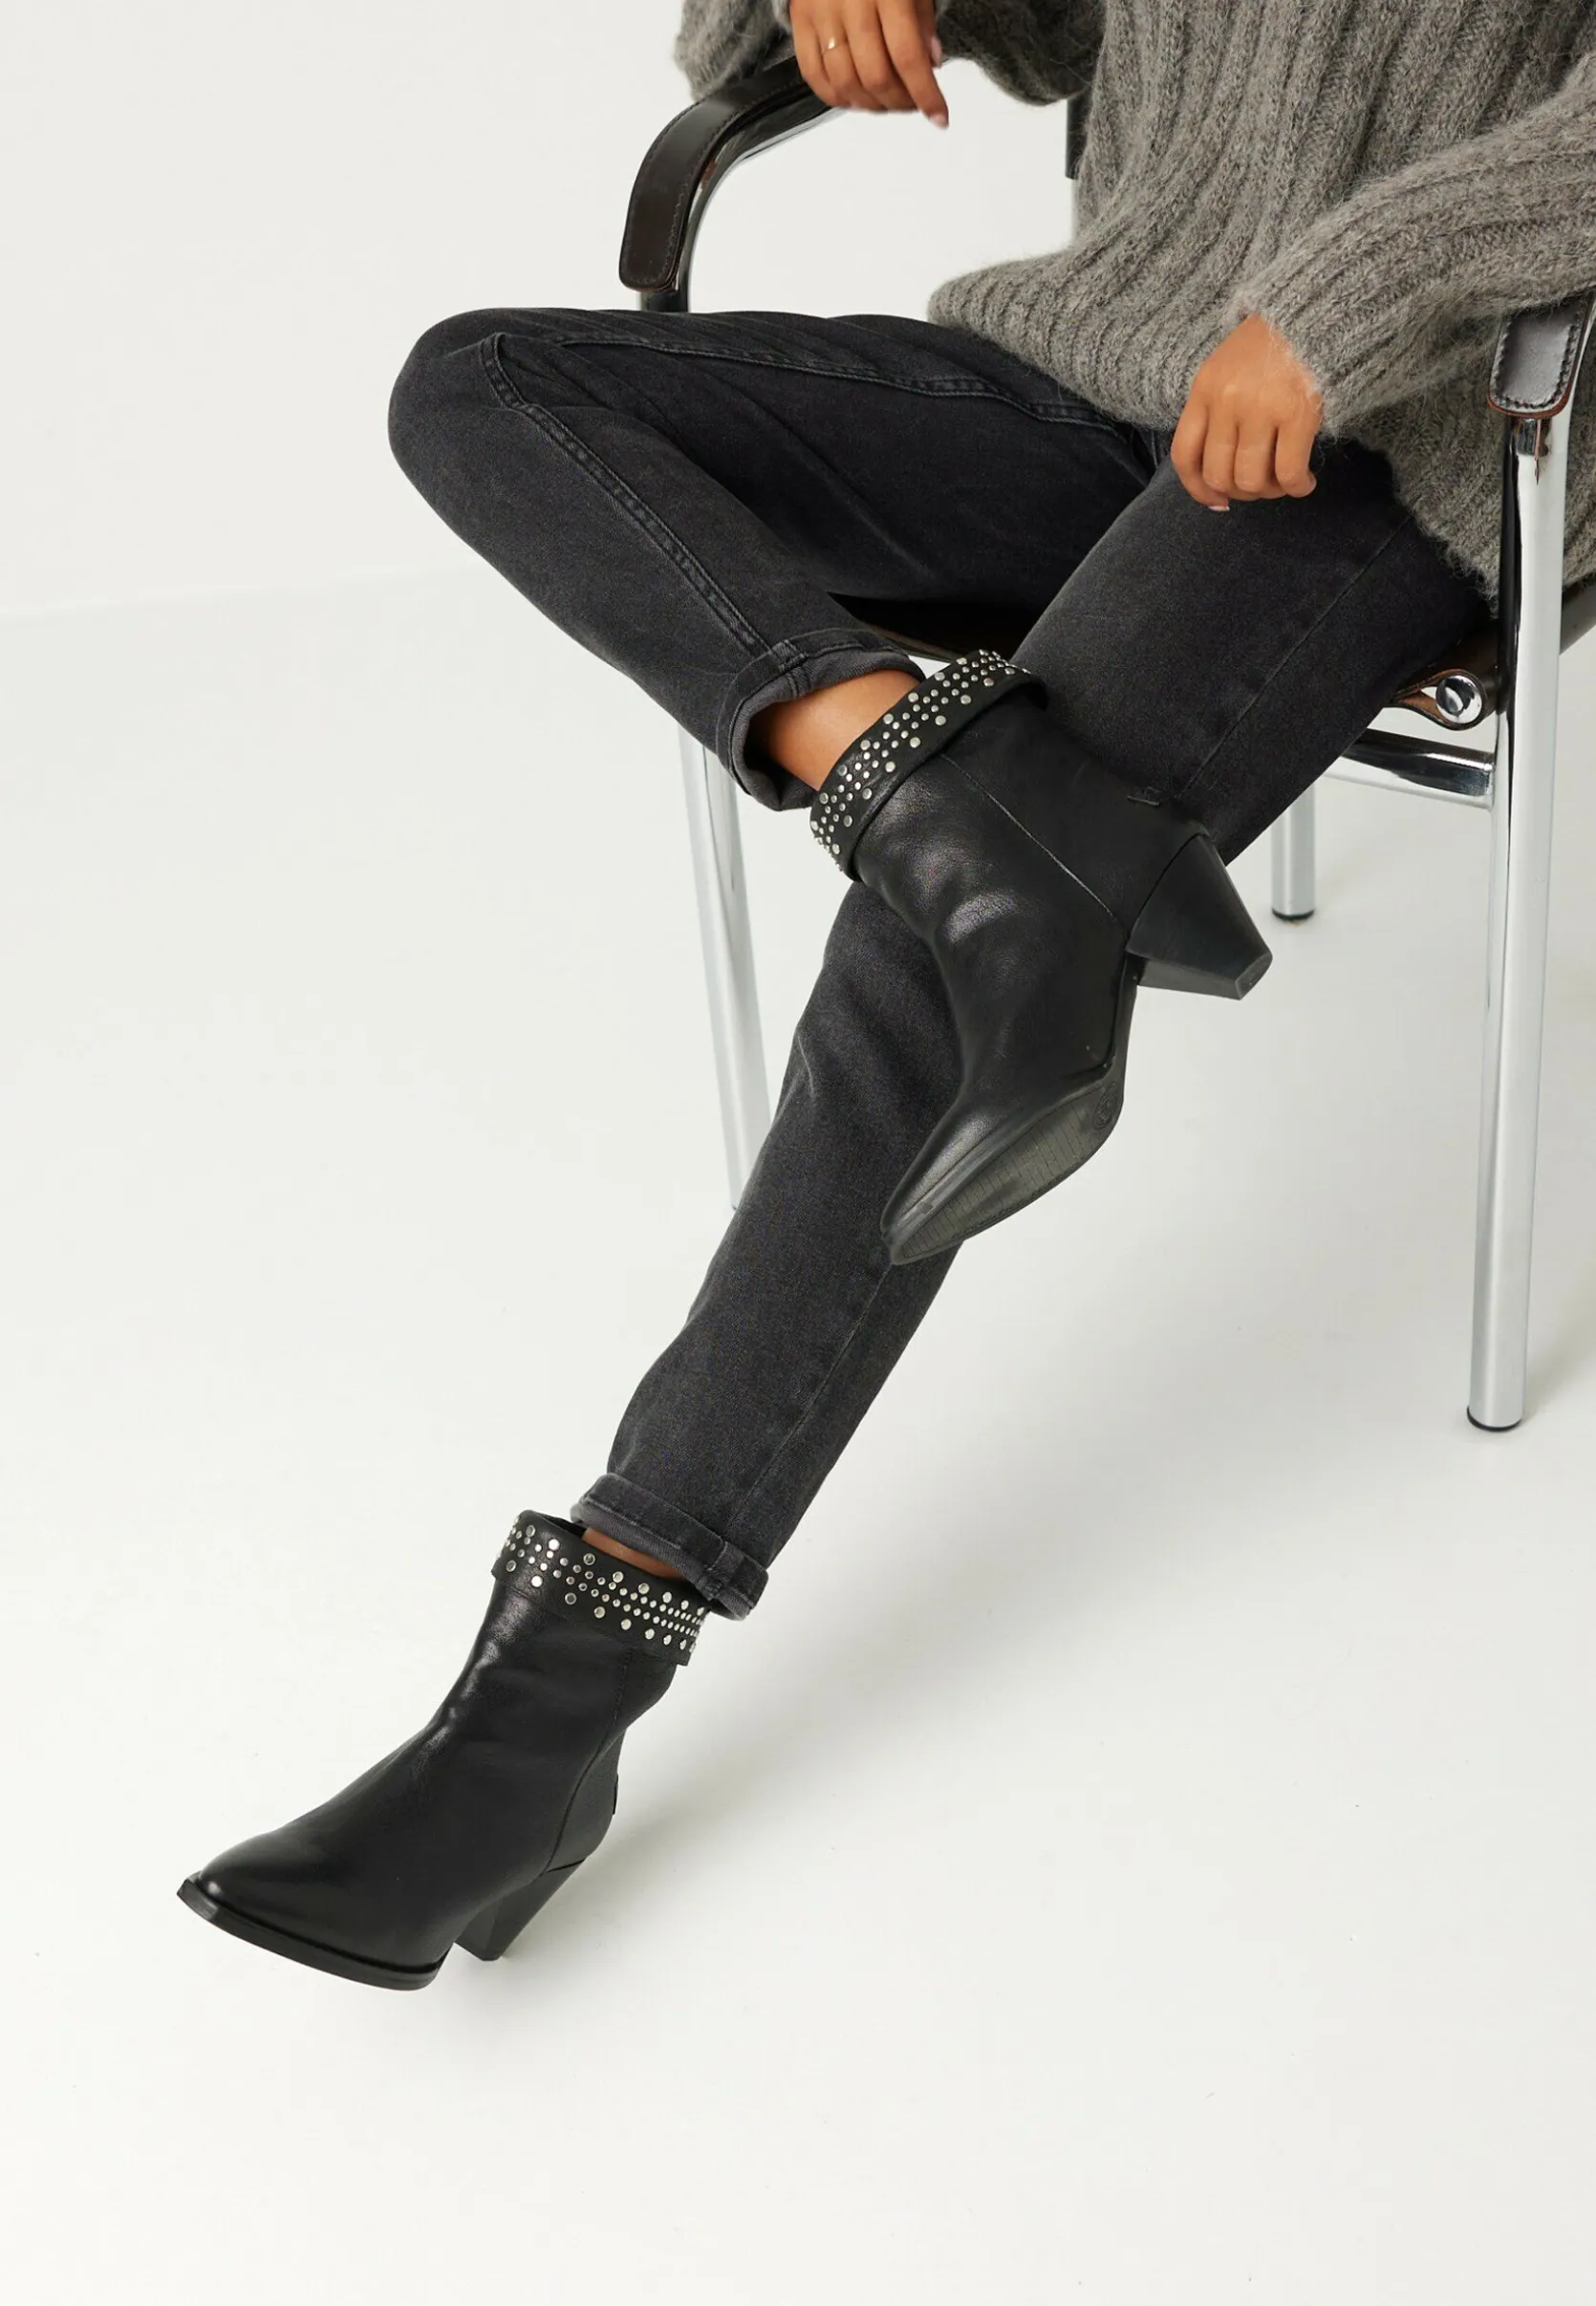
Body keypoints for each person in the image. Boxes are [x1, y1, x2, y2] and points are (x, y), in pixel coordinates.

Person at [178, 0, 1596, 1989]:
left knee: (932, 951)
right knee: (481, 384)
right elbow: (995, 30)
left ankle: (556, 1699)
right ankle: (944, 800)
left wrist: (1341, 300)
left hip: (1389, 444)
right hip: (1089, 373)